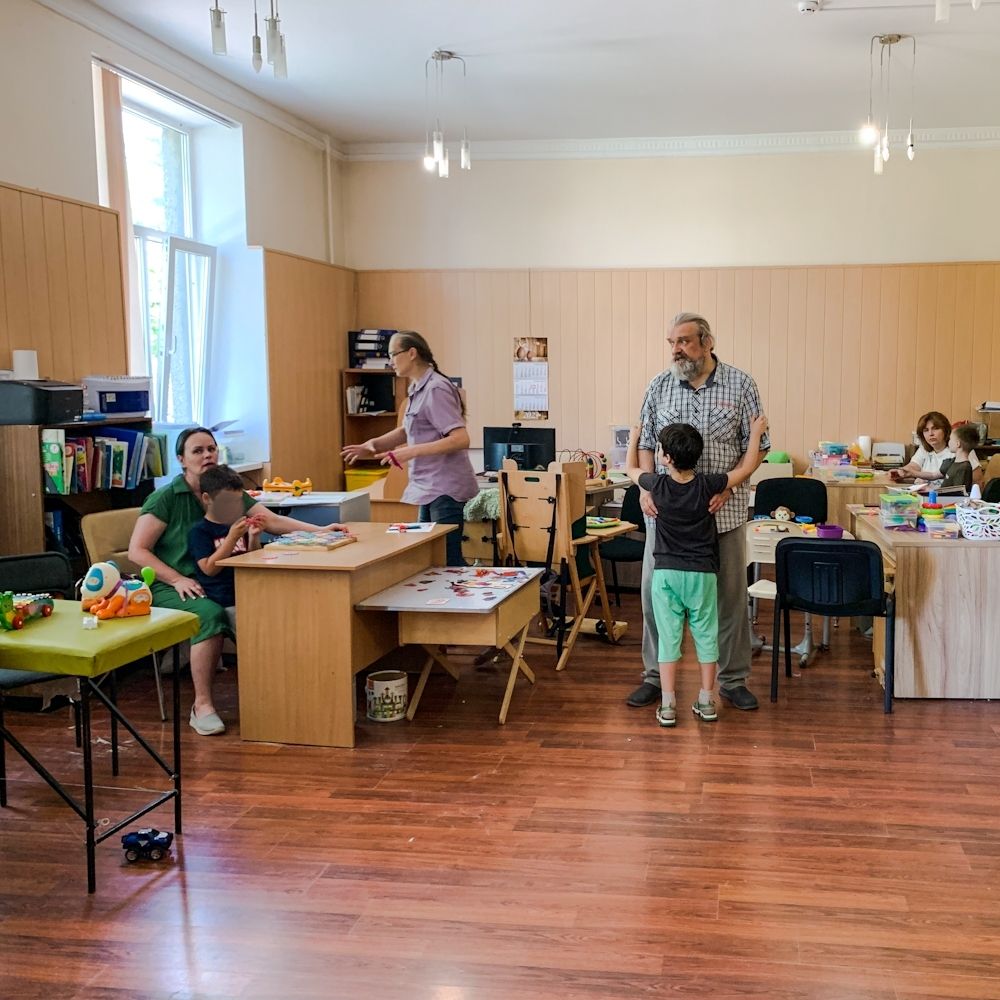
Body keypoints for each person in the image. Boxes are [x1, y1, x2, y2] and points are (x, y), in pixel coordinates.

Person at [129, 427, 347, 736]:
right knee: (210, 614)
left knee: (276, 605)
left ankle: (292, 697)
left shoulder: (225, 490)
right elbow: (137, 551)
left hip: (218, 579)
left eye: (211, 449)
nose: (207, 455)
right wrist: (176, 578)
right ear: (181, 459)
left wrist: (321, 531)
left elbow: (271, 520)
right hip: (173, 583)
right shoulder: (165, 498)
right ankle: (202, 705)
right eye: (197, 451)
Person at [626, 312, 770, 712]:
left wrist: (729, 487)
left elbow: (758, 447)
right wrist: (645, 490)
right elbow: (645, 443)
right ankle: (654, 677)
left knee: (728, 602)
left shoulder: (741, 385)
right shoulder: (659, 385)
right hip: (665, 521)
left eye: (684, 341)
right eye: (672, 342)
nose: (676, 349)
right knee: (654, 600)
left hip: (723, 516)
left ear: (707, 342)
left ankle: (733, 680)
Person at [625, 415, 767, 726]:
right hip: (702, 575)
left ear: (665, 458)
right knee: (706, 636)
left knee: (668, 639)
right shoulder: (708, 485)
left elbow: (630, 469)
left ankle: (667, 704)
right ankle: (706, 700)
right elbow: (746, 468)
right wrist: (756, 433)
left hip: (666, 575)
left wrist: (634, 437)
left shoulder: (656, 485)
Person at [341, 330, 477, 567]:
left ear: (412, 353)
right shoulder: (417, 388)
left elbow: (460, 439)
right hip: (428, 486)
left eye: (393, 354)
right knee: (428, 557)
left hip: (444, 487)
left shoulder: (436, 388)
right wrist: (372, 445)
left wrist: (411, 451)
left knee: (446, 559)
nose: (390, 361)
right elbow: (408, 430)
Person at [187, 465, 263, 635]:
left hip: (247, 593)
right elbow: (209, 569)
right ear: (207, 499)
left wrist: (254, 537)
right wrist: (231, 538)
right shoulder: (200, 531)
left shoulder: (237, 524)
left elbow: (251, 560)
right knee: (253, 634)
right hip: (224, 600)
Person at [891, 411, 984, 487]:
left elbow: (978, 482)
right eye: (926, 430)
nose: (931, 434)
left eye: (935, 428)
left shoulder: (961, 450)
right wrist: (901, 471)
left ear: (945, 430)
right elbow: (914, 466)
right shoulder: (924, 448)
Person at [937, 424, 979, 492]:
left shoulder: (964, 468)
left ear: (957, 444)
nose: (948, 442)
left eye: (950, 439)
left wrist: (932, 491)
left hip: (947, 498)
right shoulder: (954, 462)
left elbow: (957, 493)